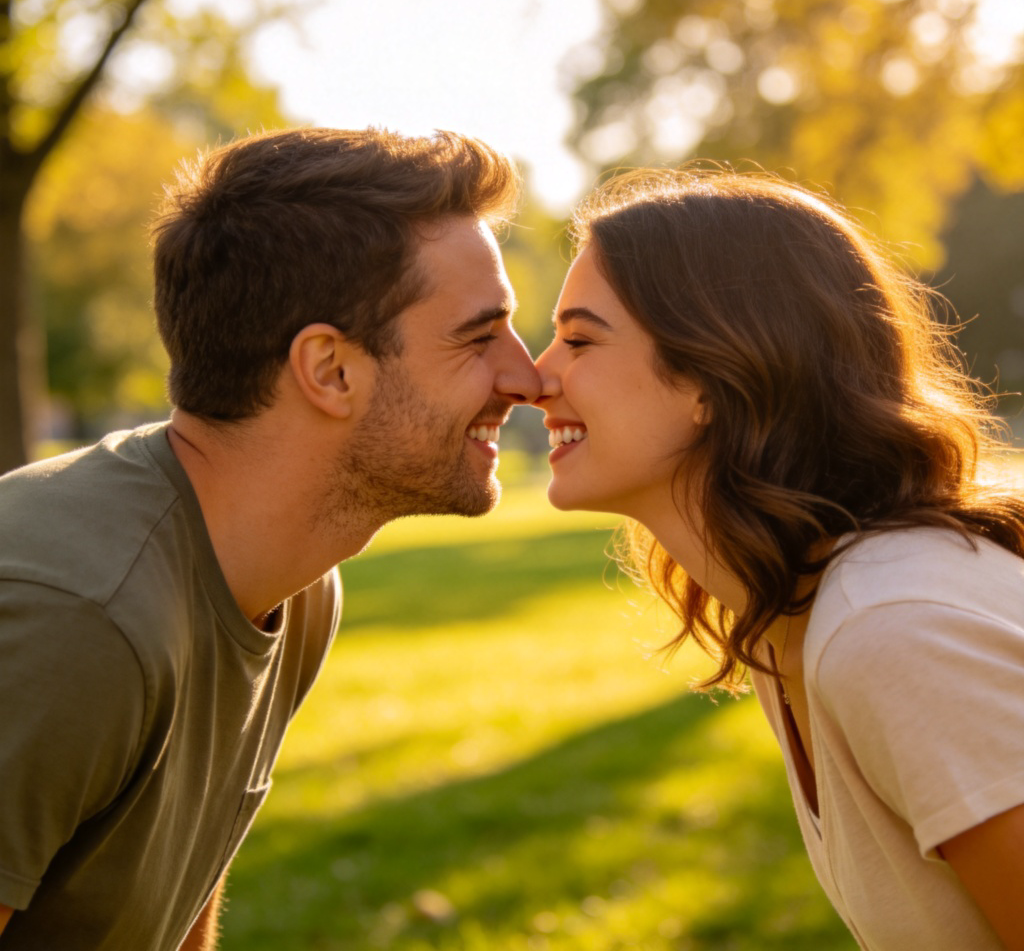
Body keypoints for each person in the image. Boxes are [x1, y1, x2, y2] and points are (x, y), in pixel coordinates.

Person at [0, 126, 540, 950]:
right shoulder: (84, 619)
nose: (527, 376)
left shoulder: (293, 583)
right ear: (329, 370)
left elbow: (177, 892)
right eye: (478, 335)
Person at [533, 167, 1024, 950]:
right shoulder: (792, 621)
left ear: (711, 375)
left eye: (580, 339)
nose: (536, 375)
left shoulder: (893, 634)